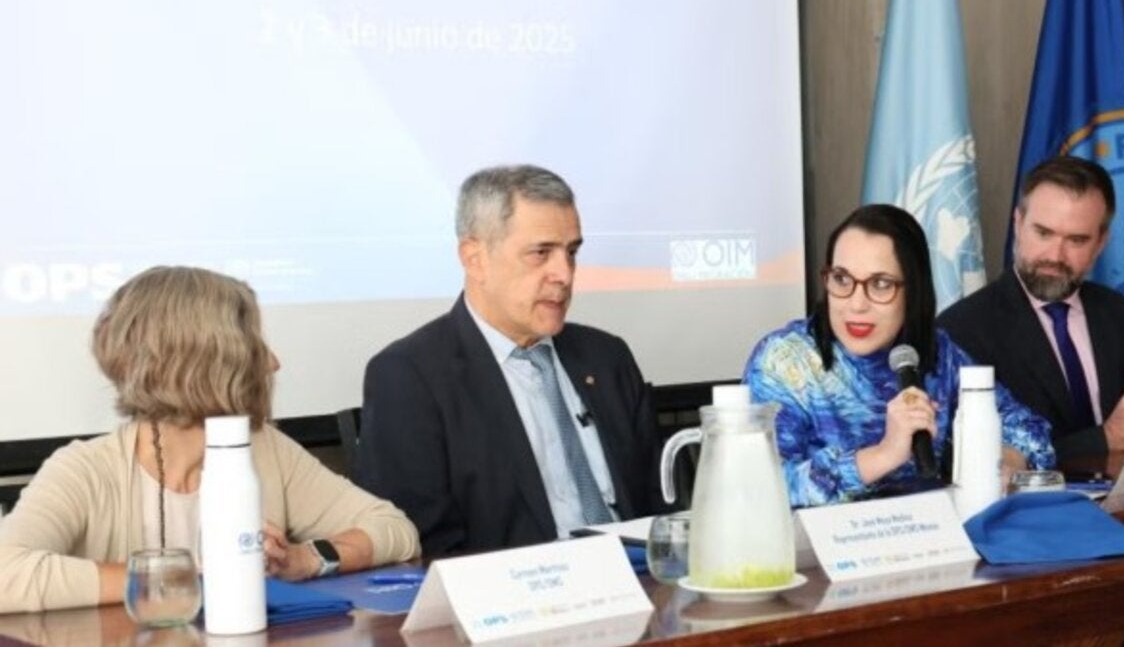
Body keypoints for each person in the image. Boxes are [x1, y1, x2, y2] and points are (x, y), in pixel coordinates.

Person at [0, 266, 420, 614]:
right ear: (201, 364)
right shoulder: (84, 470)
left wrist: (307, 559)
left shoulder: (268, 450)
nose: (274, 363)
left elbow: (395, 530)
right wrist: (187, 577)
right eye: (251, 347)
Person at [356, 165, 662, 557]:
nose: (564, 274)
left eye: (571, 252)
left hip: (638, 590)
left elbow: (659, 508)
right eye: (541, 253)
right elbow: (422, 546)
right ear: (475, 258)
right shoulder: (410, 376)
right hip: (517, 604)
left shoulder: (606, 358)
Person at [743, 204, 1055, 508]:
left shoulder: (938, 353)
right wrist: (884, 455)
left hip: (927, 541)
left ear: (914, 290)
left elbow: (1027, 426)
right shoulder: (783, 362)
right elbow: (756, 489)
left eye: (880, 284)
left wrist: (1008, 457)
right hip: (817, 554)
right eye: (841, 279)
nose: (856, 304)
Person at [937, 155, 1124, 459]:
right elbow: (971, 458)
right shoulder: (962, 328)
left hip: (1118, 505)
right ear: (1018, 224)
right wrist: (1107, 438)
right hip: (1026, 506)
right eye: (1043, 233)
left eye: (1077, 240)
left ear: (1101, 243)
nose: (1055, 255)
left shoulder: (1119, 314)